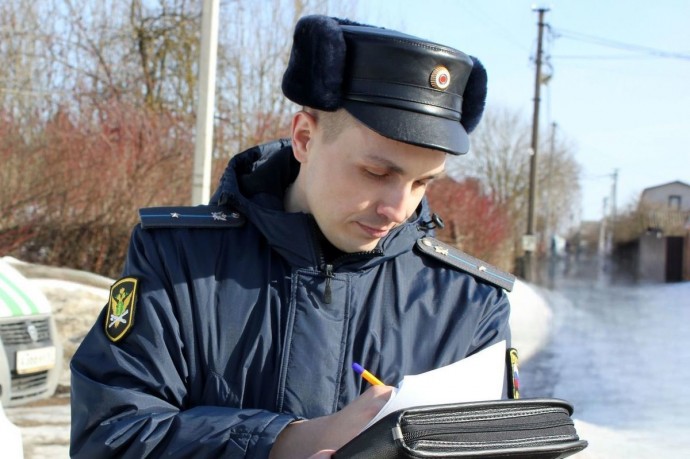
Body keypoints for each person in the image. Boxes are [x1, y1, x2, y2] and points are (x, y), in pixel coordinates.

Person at [70, 14, 514, 458]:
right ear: (304, 137)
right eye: (376, 172)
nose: (398, 209)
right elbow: (110, 436)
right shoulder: (181, 260)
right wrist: (285, 443)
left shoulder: (469, 303)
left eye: (423, 183)